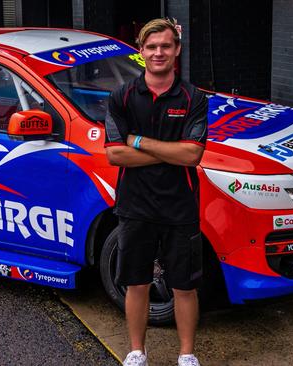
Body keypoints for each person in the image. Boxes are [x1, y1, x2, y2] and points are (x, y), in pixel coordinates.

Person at [104, 18, 207, 366]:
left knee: (184, 287)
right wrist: (168, 151)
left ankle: (187, 355)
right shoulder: (122, 97)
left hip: (180, 207)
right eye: (151, 47)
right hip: (136, 206)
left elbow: (192, 154)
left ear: (177, 51)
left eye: (165, 45)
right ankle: (136, 352)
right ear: (141, 51)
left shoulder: (193, 98)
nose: (158, 52)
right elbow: (114, 154)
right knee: (136, 283)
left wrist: (139, 141)